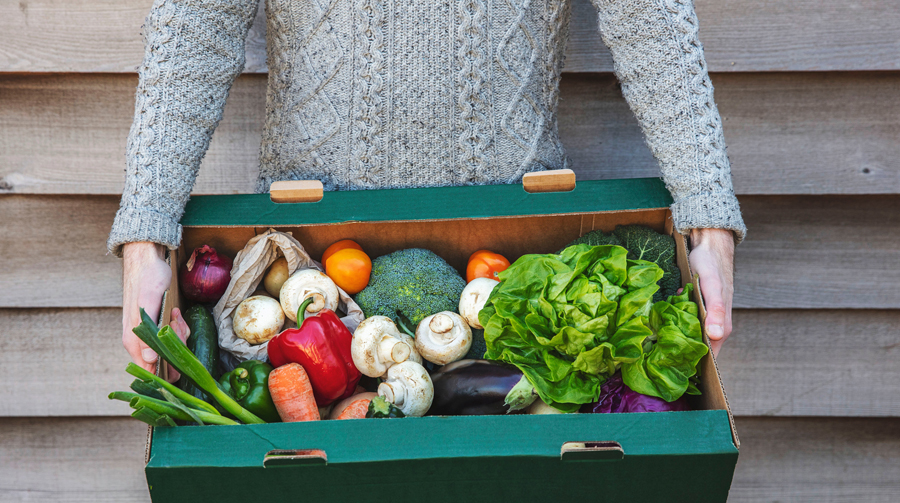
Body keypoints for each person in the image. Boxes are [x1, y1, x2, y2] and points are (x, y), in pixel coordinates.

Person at [110, 0, 746, 377]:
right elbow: (196, 23)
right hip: (307, 263)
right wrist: (148, 233)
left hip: (517, 260)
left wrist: (707, 213)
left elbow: (650, 20)